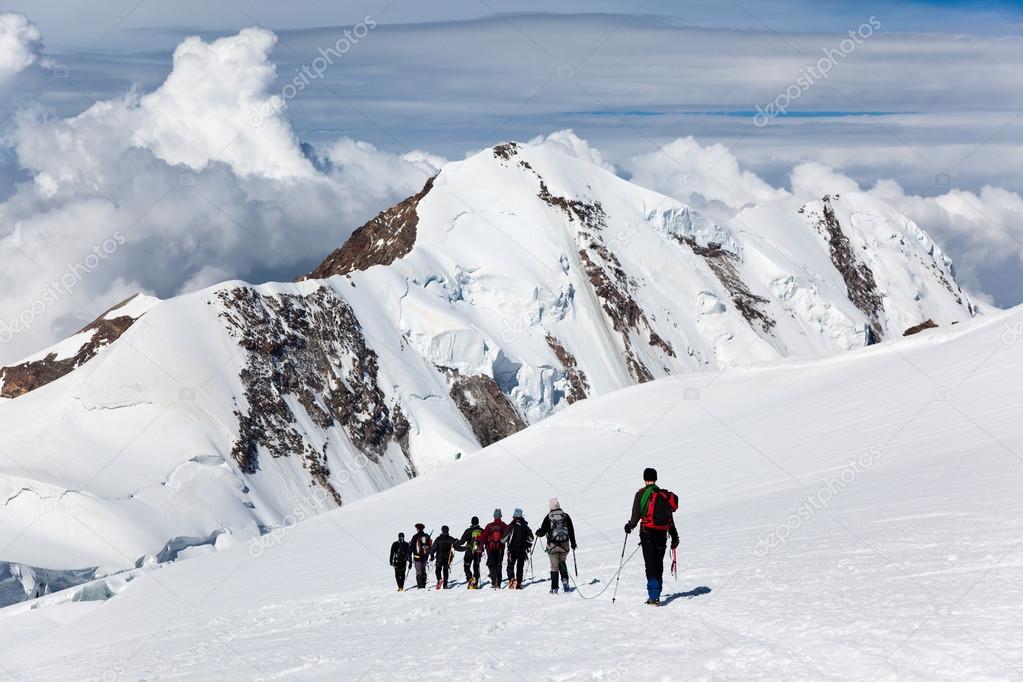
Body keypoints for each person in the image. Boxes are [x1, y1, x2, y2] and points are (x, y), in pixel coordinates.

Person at [624, 467, 679, 606]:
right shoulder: (663, 495)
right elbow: (669, 519)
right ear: (655, 479)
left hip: (647, 533)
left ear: (644, 479)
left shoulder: (641, 494)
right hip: (662, 533)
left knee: (650, 565)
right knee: (658, 564)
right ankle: (657, 594)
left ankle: (653, 597)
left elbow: (635, 517)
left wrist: (629, 526)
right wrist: (674, 536)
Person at [536, 498, 576, 594]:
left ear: (550, 506)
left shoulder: (548, 517)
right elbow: (571, 531)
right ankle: (565, 580)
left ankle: (554, 588)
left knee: (554, 567)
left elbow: (542, 533)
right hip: (565, 545)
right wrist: (573, 543)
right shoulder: (565, 516)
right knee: (562, 562)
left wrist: (538, 532)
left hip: (552, 546)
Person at [502, 508, 534, 590]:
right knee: (520, 567)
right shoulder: (525, 526)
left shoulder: (511, 526)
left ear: (514, 516)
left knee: (510, 566)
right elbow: (531, 539)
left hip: (512, 550)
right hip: (522, 550)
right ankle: (518, 583)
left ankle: (512, 580)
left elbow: (503, 540)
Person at [480, 509, 509, 589]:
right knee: (499, 565)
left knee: (491, 564)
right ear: (501, 516)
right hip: (500, 548)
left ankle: (494, 581)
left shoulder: (489, 526)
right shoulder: (503, 525)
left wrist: (477, 538)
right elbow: (509, 533)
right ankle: (498, 582)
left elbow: (483, 537)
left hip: (491, 548)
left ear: (494, 516)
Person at [455, 516, 484, 589]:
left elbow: (461, 542)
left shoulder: (468, 530)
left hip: (469, 551)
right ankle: (475, 581)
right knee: (476, 566)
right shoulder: (482, 530)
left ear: (471, 522)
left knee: (467, 566)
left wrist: (456, 542)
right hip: (478, 551)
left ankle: (470, 579)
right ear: (478, 522)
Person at [409, 523, 433, 589]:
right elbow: (430, 546)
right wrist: (431, 555)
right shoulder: (427, 536)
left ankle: (420, 586)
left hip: (417, 557)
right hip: (425, 556)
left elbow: (411, 547)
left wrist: (409, 556)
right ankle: (424, 585)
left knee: (418, 571)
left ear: (417, 529)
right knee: (423, 570)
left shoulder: (415, 537)